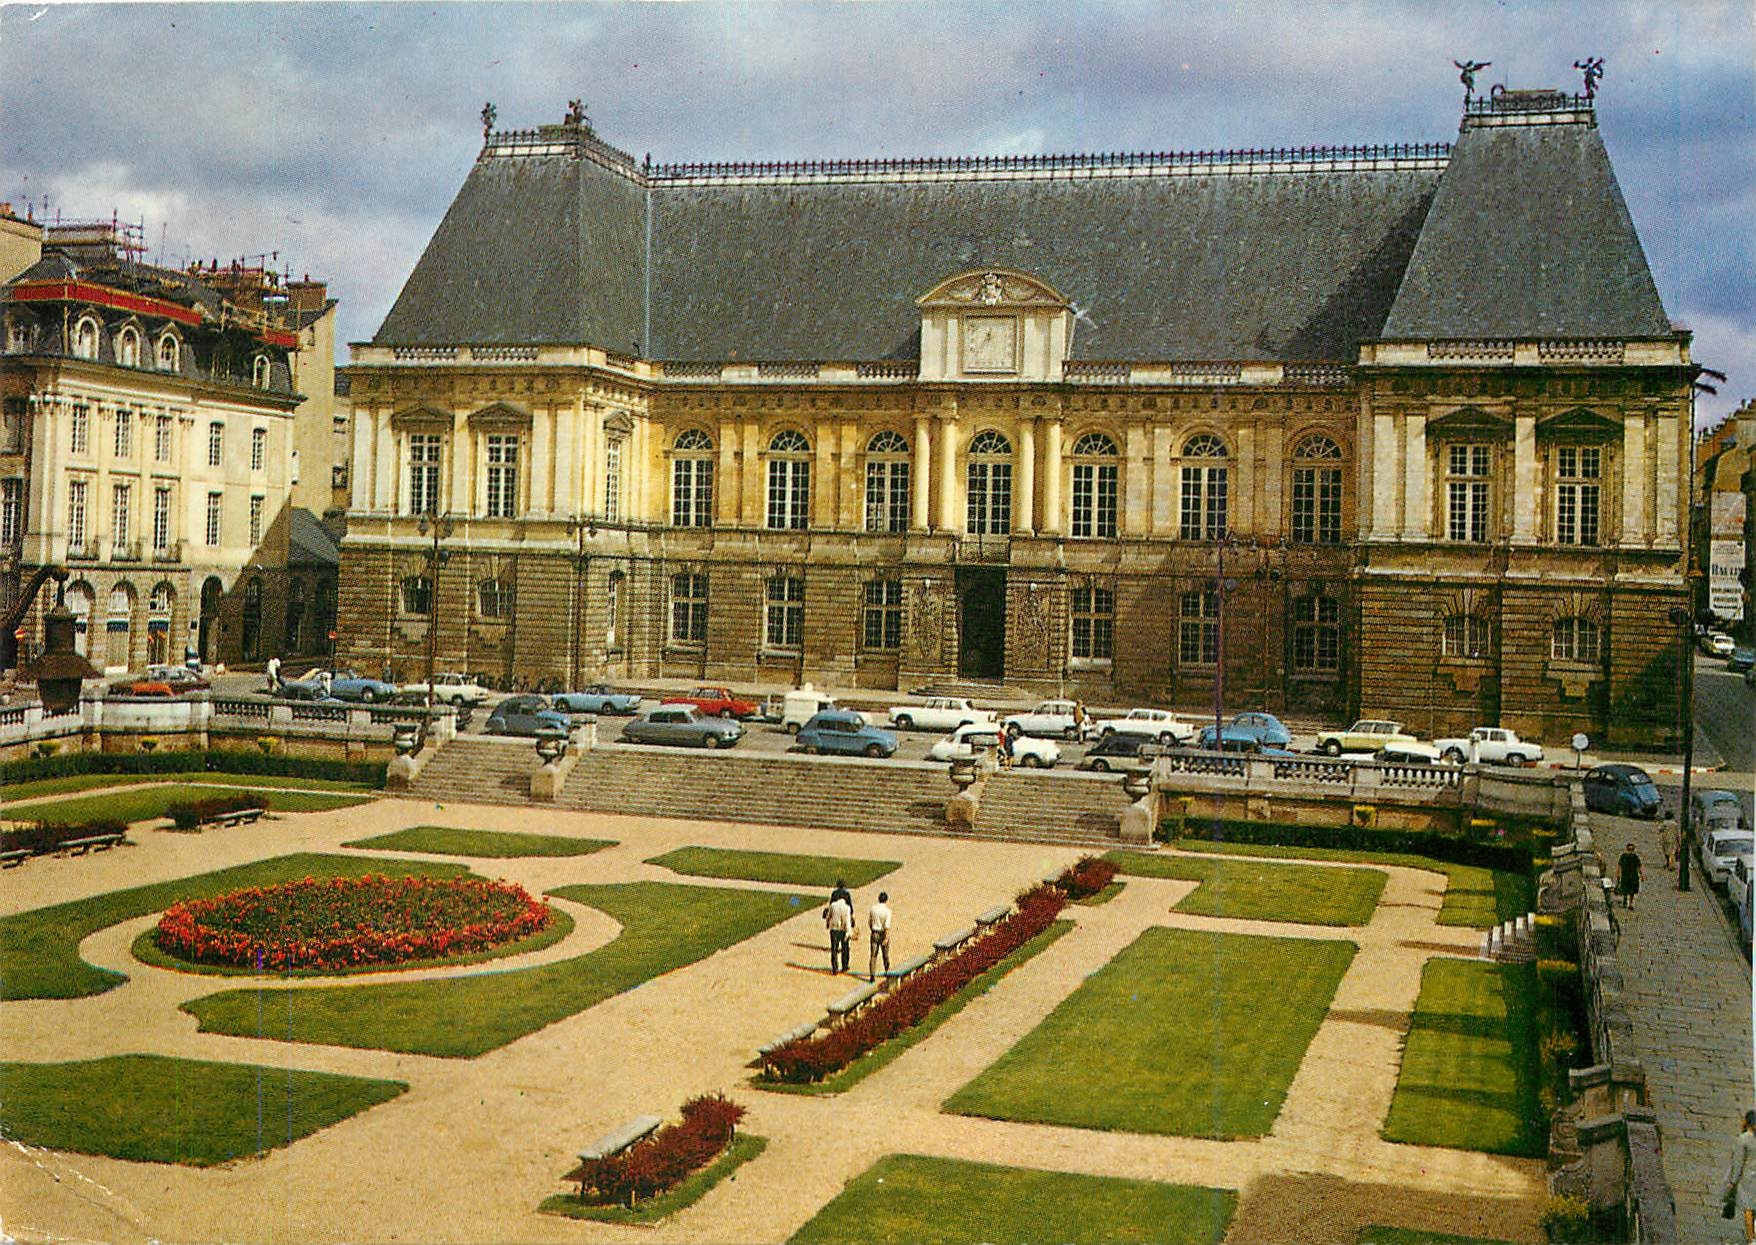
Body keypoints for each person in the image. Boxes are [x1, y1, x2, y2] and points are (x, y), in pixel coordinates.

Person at [1723, 1109, 1756, 1242]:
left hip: (1748, 1180)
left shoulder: (1743, 1139)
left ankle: (1751, 1238)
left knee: (1748, 1209)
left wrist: (1732, 1182)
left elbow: (1737, 1163)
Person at [823, 892, 853, 975]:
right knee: (845, 948)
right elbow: (847, 920)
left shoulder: (833, 905)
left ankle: (835, 968)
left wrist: (827, 924)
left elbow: (828, 916)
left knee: (834, 949)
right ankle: (845, 966)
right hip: (843, 930)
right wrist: (849, 932)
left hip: (834, 929)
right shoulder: (847, 907)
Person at [867, 891, 892, 981]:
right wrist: (886, 937)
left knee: (873, 955)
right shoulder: (887, 911)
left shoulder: (873, 909)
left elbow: (869, 922)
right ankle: (887, 972)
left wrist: (873, 931)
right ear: (886, 900)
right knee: (885, 955)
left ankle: (872, 975)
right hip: (883, 933)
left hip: (874, 932)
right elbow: (887, 926)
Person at [1616, 841, 1642, 909]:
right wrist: (1618, 874)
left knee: (1632, 891)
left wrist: (1641, 875)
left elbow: (1638, 867)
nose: (1630, 851)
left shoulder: (1635, 857)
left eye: (1631, 850)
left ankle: (1630, 904)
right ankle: (1625, 900)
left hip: (1633, 876)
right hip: (1625, 876)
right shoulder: (1623, 856)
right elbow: (1619, 865)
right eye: (1629, 850)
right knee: (1625, 890)